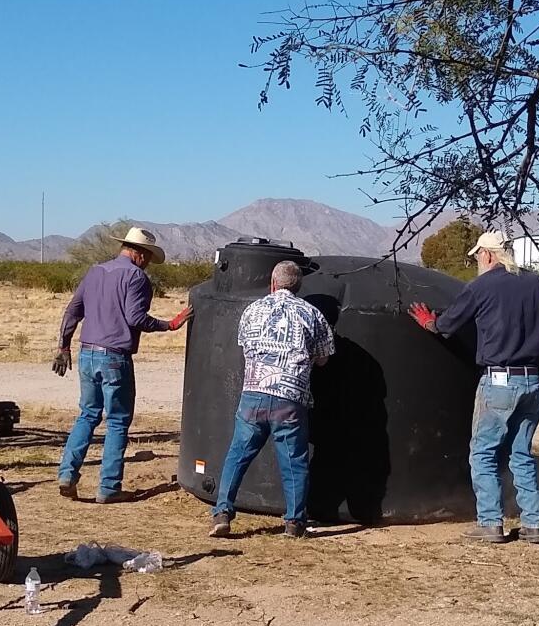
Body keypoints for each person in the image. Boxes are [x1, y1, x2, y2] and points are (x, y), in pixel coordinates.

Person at [409, 230, 539, 546]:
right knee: (521, 453)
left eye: (477, 256)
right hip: (534, 380)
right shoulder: (533, 282)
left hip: (499, 381)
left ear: (488, 254)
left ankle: (490, 523)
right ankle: (534, 524)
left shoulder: (481, 286)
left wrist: (427, 323)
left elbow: (447, 325)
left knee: (483, 453)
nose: (477, 261)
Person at [54, 225, 190, 502]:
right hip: (115, 356)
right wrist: (169, 325)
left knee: (88, 414)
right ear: (140, 254)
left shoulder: (95, 272)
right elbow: (135, 318)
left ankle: (67, 473)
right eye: (149, 257)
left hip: (87, 353)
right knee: (117, 421)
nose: (148, 264)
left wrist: (63, 345)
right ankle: (108, 487)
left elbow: (72, 311)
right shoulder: (136, 277)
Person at [209, 259, 334, 540]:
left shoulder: (252, 310)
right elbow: (324, 359)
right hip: (289, 397)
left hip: (253, 394)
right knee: (293, 461)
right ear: (298, 286)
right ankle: (294, 522)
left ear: (273, 283)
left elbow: (244, 349)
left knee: (237, 455)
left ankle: (222, 513)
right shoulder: (312, 314)